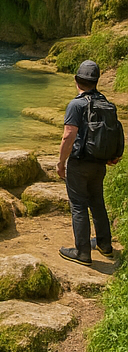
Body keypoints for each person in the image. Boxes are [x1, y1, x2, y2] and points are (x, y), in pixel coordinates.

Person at [57, 59, 122, 265]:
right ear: (96, 81)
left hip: (79, 163)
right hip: (99, 162)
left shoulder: (76, 105)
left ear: (76, 80)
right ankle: (105, 245)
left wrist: (61, 163)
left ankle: (82, 253)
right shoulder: (106, 103)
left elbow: (69, 136)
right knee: (97, 202)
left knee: (78, 206)